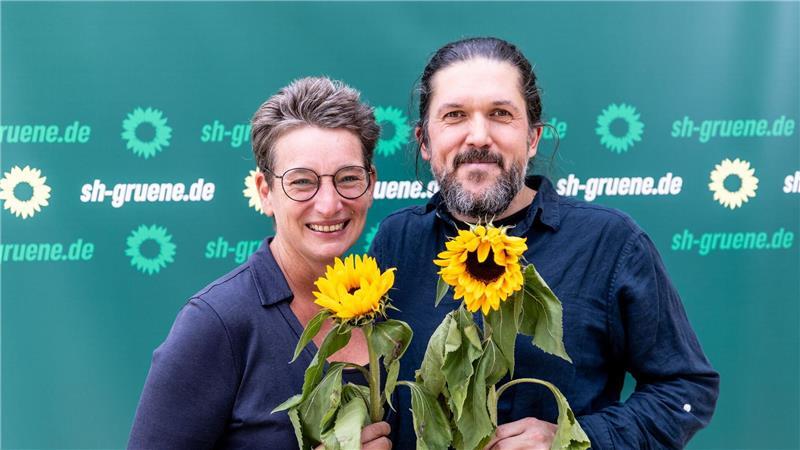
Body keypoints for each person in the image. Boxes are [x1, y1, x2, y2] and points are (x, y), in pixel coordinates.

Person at [369, 37, 719, 449]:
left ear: (533, 137)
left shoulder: (610, 244)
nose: (478, 136)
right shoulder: (397, 241)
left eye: (500, 114)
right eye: (455, 115)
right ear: (425, 141)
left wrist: (576, 440)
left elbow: (686, 389)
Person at [129, 77, 392, 449]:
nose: (330, 203)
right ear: (264, 192)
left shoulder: (389, 305)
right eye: (302, 182)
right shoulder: (216, 322)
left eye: (348, 178)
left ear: (371, 183)